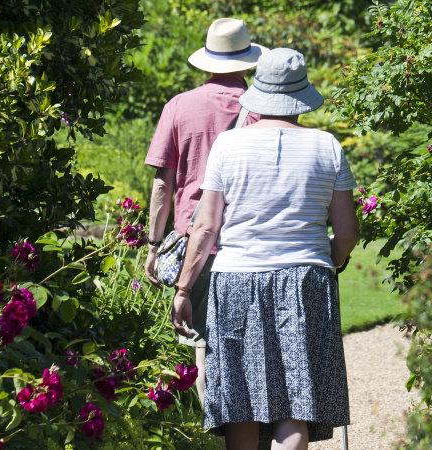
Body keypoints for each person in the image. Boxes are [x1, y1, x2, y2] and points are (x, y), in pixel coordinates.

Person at [171, 48, 359, 450]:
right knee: (295, 399)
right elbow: (346, 232)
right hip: (305, 279)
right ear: (301, 95)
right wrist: (333, 259)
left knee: (241, 401)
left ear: (258, 90)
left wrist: (184, 289)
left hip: (236, 278)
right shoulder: (327, 146)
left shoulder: (228, 145)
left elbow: (205, 227)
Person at [144, 18, 267, 403]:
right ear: (247, 62)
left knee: (206, 348)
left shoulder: (180, 106)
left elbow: (163, 183)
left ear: (206, 62)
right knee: (252, 344)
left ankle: (213, 433)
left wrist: (153, 244)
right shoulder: (263, 111)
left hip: (196, 242)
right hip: (248, 242)